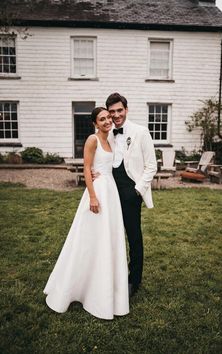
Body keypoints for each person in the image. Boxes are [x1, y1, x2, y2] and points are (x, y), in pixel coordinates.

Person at [43, 107, 129, 320]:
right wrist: (92, 196)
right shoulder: (93, 140)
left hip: (111, 193)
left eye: (109, 117)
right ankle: (76, 288)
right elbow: (87, 169)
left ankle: (103, 287)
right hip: (98, 192)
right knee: (89, 239)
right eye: (102, 119)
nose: (108, 121)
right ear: (95, 123)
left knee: (107, 239)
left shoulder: (111, 141)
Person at [106, 93, 157, 297]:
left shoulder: (141, 132)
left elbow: (151, 166)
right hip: (110, 189)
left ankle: (133, 280)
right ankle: (112, 275)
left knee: (133, 236)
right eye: (112, 112)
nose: (116, 115)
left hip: (130, 191)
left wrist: (138, 190)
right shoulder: (107, 132)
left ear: (126, 109)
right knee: (111, 235)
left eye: (119, 110)